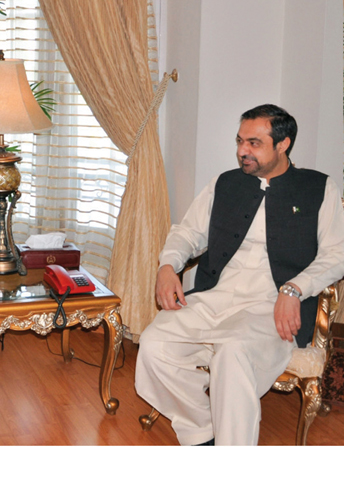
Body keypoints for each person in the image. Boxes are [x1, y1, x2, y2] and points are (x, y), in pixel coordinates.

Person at [135, 104, 344, 446]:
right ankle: (202, 432)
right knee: (155, 346)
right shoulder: (225, 184)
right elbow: (187, 233)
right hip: (216, 296)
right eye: (239, 141)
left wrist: (294, 290)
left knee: (233, 354)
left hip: (271, 305)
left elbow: (337, 254)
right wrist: (167, 266)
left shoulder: (319, 188)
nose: (242, 151)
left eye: (253, 143)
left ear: (283, 144)